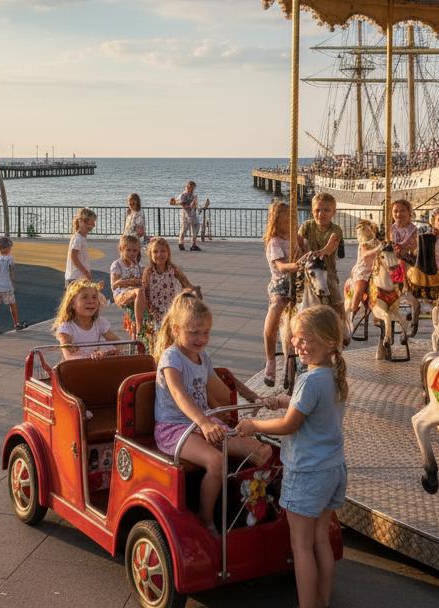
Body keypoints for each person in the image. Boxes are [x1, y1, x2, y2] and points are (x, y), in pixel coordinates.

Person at [237, 304, 348, 608]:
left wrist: (253, 425)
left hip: (307, 472)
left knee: (300, 547)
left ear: (326, 342)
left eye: (304, 339)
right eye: (296, 338)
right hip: (333, 469)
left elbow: (290, 424)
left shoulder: (311, 381)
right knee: (321, 540)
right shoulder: (333, 376)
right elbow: (308, 406)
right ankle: (322, 602)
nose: (297, 344)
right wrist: (281, 400)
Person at [152, 291, 272, 534]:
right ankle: (206, 519)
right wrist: (205, 422)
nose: (201, 338)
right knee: (216, 461)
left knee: (262, 451)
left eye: (205, 332)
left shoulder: (202, 357)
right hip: (174, 427)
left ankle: (247, 507)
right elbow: (178, 394)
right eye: (194, 332)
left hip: (203, 422)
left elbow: (221, 386)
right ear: (176, 330)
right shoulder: (171, 357)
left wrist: (252, 398)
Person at [261, 201, 304, 387]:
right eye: (285, 218)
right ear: (277, 220)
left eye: (291, 217)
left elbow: (308, 255)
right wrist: (294, 266)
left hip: (300, 283)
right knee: (276, 309)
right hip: (282, 284)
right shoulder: (274, 242)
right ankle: (270, 360)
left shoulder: (298, 238)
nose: (289, 221)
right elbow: (280, 266)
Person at [134, 238, 196, 347]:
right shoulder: (148, 272)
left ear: (168, 252)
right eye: (155, 251)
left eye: (163, 251)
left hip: (171, 311)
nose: (159, 254)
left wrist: (192, 297)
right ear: (150, 254)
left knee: (173, 340)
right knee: (159, 342)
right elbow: (145, 295)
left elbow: (187, 284)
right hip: (155, 313)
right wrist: (152, 312)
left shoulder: (173, 269)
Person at [299, 193, 345, 323]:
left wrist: (323, 252)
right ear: (312, 211)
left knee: (337, 302)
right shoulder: (306, 226)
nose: (321, 214)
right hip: (307, 270)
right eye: (317, 210)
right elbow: (299, 244)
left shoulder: (336, 229)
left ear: (333, 212)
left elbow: (332, 245)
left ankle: (342, 329)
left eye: (326, 210)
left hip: (327, 271)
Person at [54, 278, 121, 360]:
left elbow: (119, 343)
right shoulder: (66, 328)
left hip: (94, 367)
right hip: (75, 369)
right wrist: (90, 358)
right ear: (72, 304)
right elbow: (69, 356)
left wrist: (109, 352)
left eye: (94, 297)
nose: (91, 301)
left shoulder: (99, 323)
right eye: (84, 297)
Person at [344, 220, 384, 334]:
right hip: (363, 271)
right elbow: (366, 254)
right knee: (359, 288)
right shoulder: (364, 244)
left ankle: (378, 314)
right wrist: (378, 249)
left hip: (375, 270)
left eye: (367, 229)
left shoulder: (377, 242)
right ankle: (353, 311)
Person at [0, 236, 27, 334]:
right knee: (12, 305)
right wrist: (13, 282)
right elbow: (11, 272)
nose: (10, 250)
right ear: (5, 248)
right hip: (6, 286)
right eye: (10, 248)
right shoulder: (10, 259)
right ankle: (17, 324)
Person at [109, 234, 145, 310]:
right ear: (121, 249)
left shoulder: (139, 266)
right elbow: (115, 285)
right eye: (128, 250)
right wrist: (131, 281)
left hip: (135, 292)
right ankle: (139, 321)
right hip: (121, 294)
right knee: (138, 292)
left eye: (135, 251)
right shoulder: (117, 265)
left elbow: (144, 281)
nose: (131, 253)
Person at [65, 207, 96, 284]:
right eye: (88, 223)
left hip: (79, 277)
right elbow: (74, 257)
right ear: (80, 221)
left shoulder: (81, 237)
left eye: (93, 223)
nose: (91, 226)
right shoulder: (78, 238)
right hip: (75, 277)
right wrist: (85, 271)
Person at [171, 181, 201, 252]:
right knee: (184, 229)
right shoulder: (183, 195)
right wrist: (191, 205)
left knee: (196, 227)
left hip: (193, 214)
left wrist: (197, 206)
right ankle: (181, 243)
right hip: (185, 214)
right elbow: (183, 205)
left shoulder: (193, 195)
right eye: (192, 187)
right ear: (188, 187)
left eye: (194, 187)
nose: (193, 189)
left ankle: (193, 245)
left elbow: (195, 205)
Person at [388, 199, 419, 265]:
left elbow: (415, 251)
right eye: (395, 211)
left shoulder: (413, 230)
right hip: (394, 263)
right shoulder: (391, 228)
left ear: (409, 212)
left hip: (410, 263)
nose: (398, 214)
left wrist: (409, 251)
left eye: (402, 211)